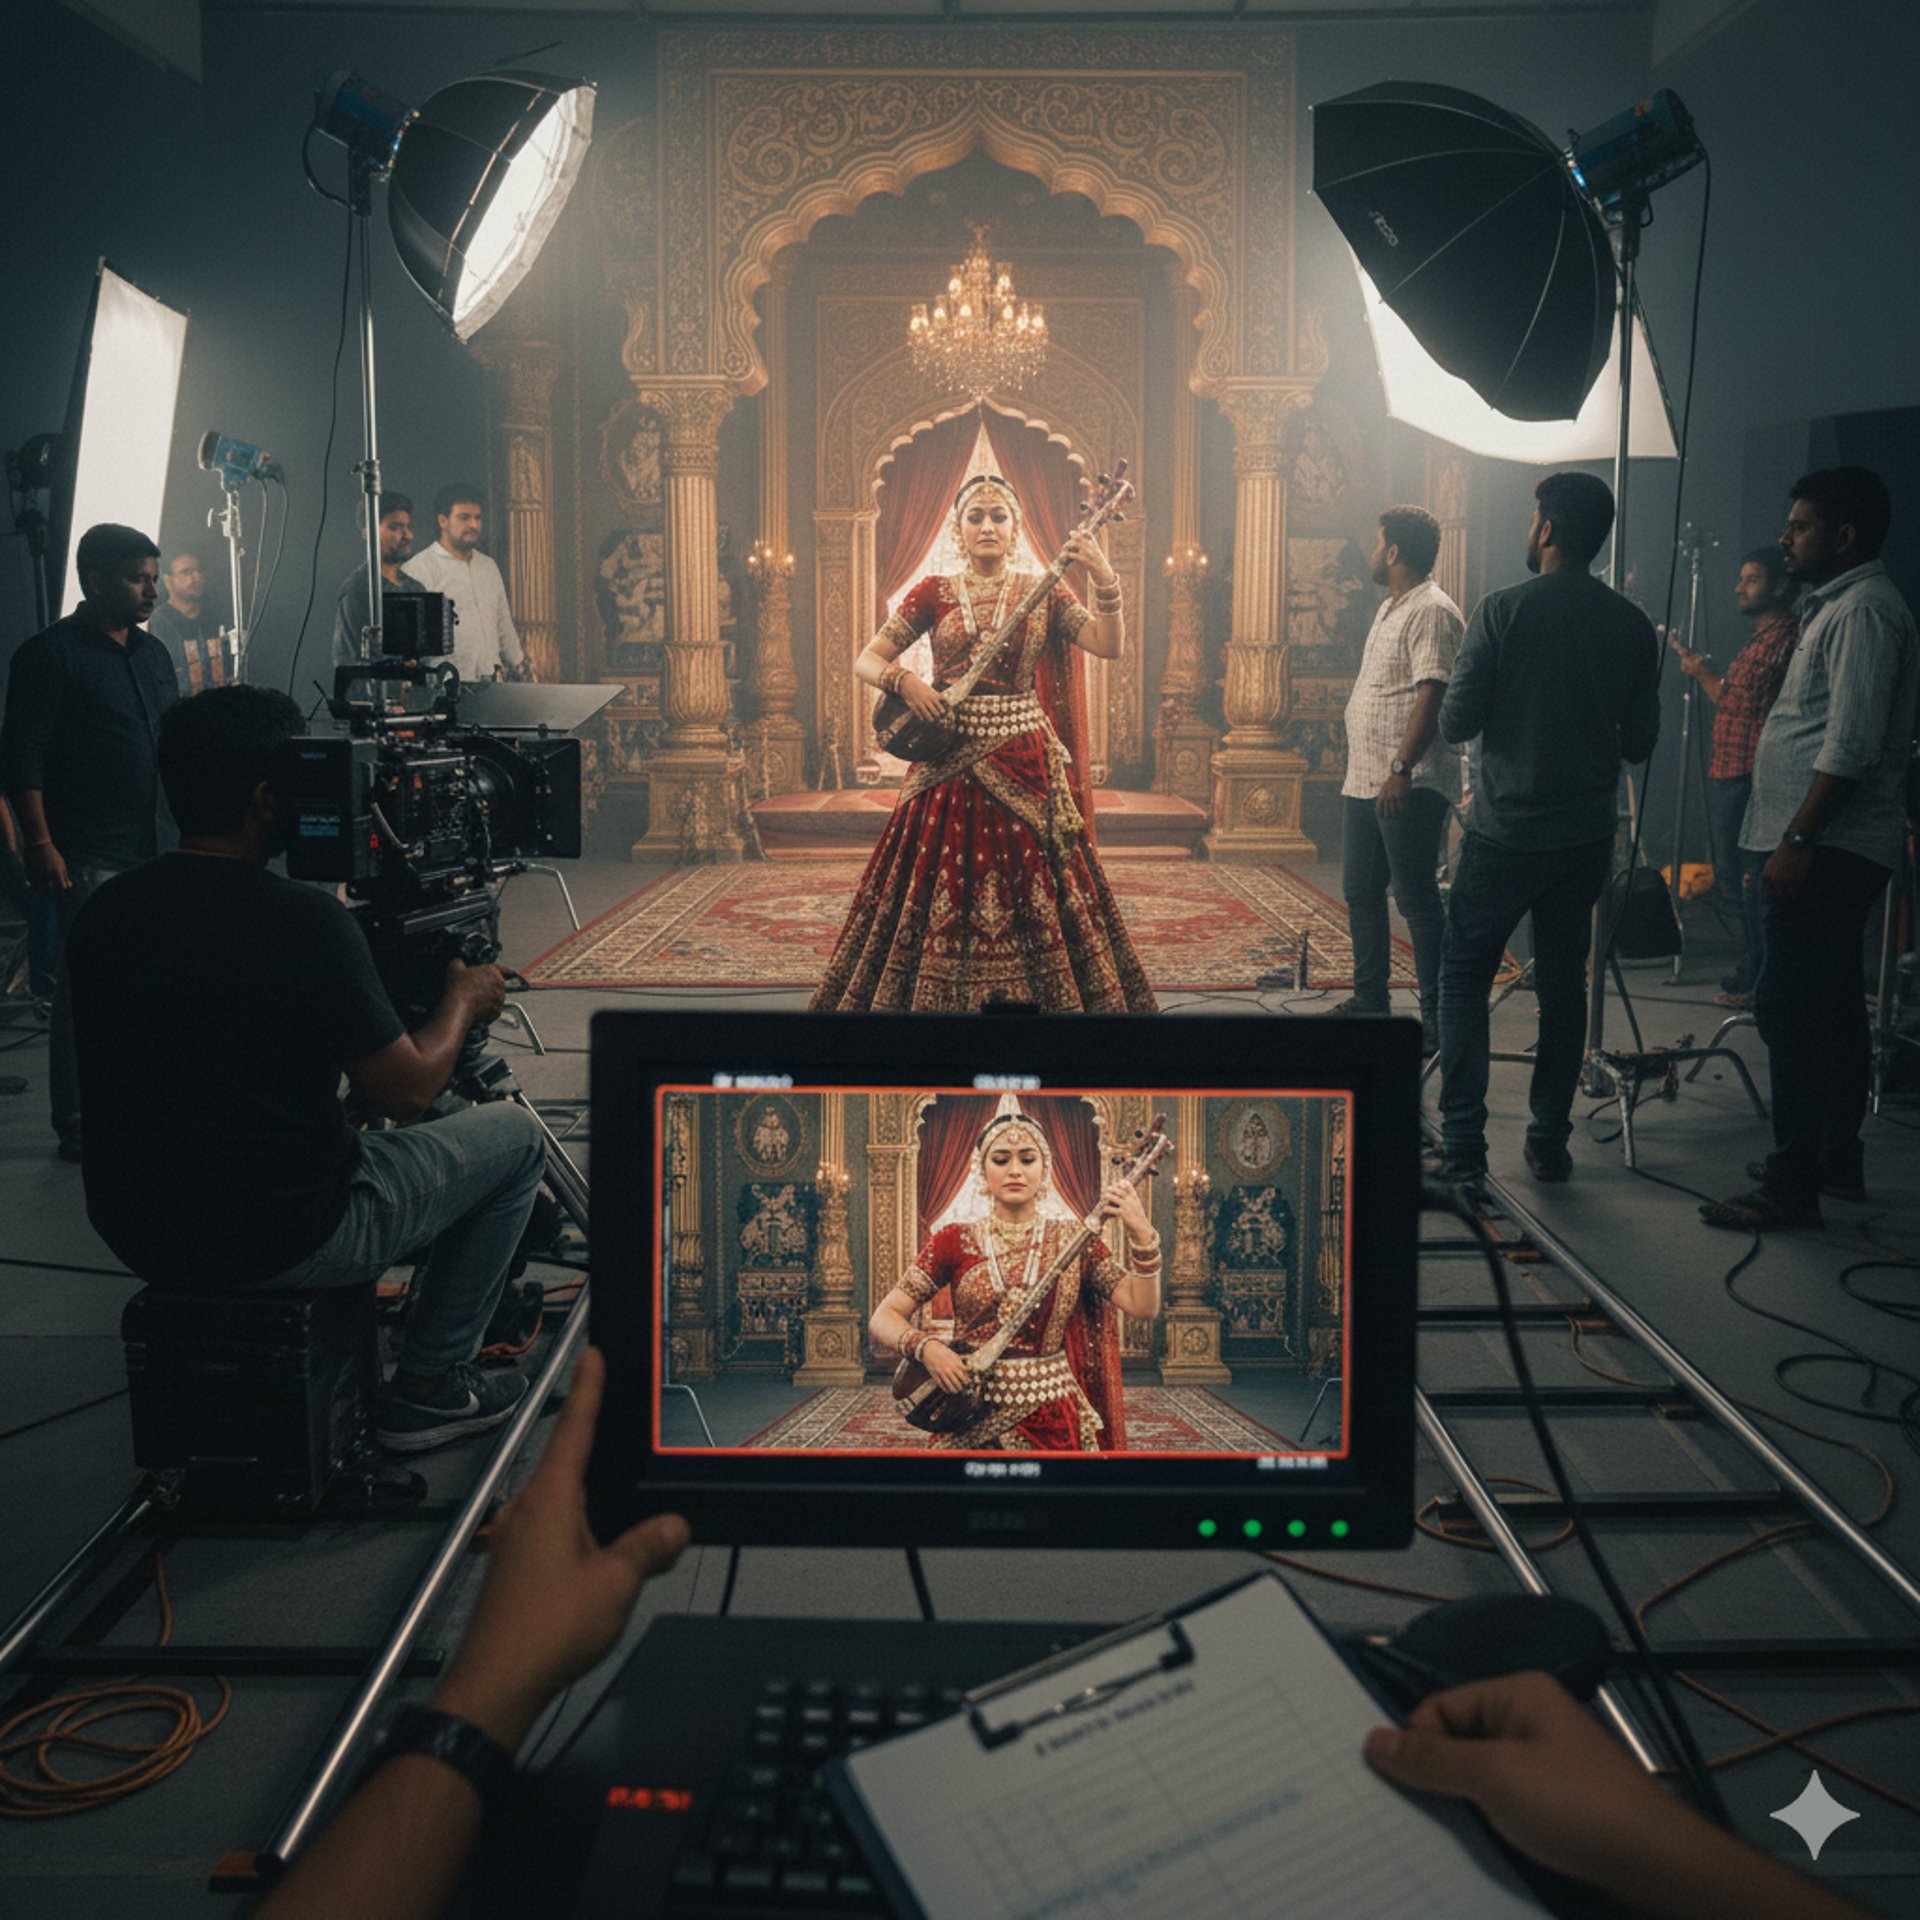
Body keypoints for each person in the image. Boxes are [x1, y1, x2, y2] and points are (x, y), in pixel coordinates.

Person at [253, 1352, 1867, 1920]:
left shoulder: (1067, 1215)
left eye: (1034, 1156)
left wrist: (481, 1703)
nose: (1015, 1169)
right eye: (1000, 1155)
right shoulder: (959, 1225)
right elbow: (901, 1324)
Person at [65, 684, 545, 1449]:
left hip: (140, 1228)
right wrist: (461, 1001)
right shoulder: (304, 920)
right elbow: (407, 1092)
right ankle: (428, 1385)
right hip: (285, 1235)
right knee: (515, 1142)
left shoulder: (105, 912)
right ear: (266, 798)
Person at [810, 471, 1157, 1012]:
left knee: (1041, 882)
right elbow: (866, 659)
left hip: (1024, 758)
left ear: (1015, 528)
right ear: (958, 528)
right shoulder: (933, 592)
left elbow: (1106, 646)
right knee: (930, 874)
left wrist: (1105, 576)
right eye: (976, 517)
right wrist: (906, 681)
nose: (987, 526)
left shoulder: (1043, 590)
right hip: (946, 753)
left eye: (999, 517)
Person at [1703, 468, 1919, 1231]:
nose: (1787, 535)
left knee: (1788, 1007)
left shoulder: (1862, 613)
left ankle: (1793, 1185)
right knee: (1830, 1008)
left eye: (1799, 526)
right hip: (1813, 841)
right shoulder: (1836, 608)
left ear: (1845, 536)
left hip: (1822, 846)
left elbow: (1852, 743)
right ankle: (1832, 1160)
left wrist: (1797, 836)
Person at [1433, 474, 1660, 1185]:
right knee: (1565, 987)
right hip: (1584, 839)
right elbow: (1642, 742)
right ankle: (1547, 1139)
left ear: (1548, 530)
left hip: (1505, 834)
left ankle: (1464, 1142)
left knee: (1463, 979)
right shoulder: (1630, 624)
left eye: (1534, 519)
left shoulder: (1501, 611)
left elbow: (1456, 722)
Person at [0, 523, 179, 1161]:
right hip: (88, 852)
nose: (151, 592)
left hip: (155, 846)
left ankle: (142, 1104)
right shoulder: (48, 655)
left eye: (155, 579)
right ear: (96, 580)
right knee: (85, 991)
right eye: (139, 578)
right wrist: (41, 844)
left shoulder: (154, 655)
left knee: (151, 984)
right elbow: (22, 759)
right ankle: (78, 1121)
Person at [868, 1109, 1161, 1450]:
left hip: (1054, 1415)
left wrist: (1143, 1233)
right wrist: (927, 1348)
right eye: (1001, 1159)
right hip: (966, 1409)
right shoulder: (953, 1239)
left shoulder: (1075, 1240)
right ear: (982, 1168)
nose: (1015, 1171)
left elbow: (1143, 1305)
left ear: (1045, 1168)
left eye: (1027, 1159)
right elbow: (883, 1318)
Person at [1331, 504, 1464, 1049]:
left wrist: (1401, 769)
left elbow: (1432, 693)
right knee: (1361, 891)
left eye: (1375, 541)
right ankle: (1371, 999)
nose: (1370, 550)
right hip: (1365, 779)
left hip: (1405, 780)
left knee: (1415, 899)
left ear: (1393, 551)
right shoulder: (1392, 607)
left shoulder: (1431, 610)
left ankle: (1437, 1016)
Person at [1671, 546, 1800, 1006]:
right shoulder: (1760, 636)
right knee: (1733, 878)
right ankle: (1754, 967)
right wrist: (1700, 670)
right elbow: (1733, 698)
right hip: (1731, 770)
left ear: (1780, 586)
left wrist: (1703, 673)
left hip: (1752, 775)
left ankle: (1764, 977)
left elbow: (1758, 708)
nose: (1739, 587)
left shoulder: (1787, 637)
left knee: (1748, 880)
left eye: (1751, 579)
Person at [402, 483, 531, 686]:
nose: (474, 525)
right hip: (445, 688)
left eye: (477, 517)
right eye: (464, 517)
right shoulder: (418, 570)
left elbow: (503, 623)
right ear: (443, 521)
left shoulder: (488, 566)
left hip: (493, 684)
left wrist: (520, 666)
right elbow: (408, 645)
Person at [331, 490, 424, 670]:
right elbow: (348, 666)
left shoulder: (415, 588)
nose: (407, 536)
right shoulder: (358, 590)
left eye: (408, 527)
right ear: (368, 532)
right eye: (395, 527)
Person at [149, 549, 230, 692]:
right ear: (168, 581)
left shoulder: (215, 616)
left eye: (198, 571)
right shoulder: (159, 621)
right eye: (186, 572)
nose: (196, 577)